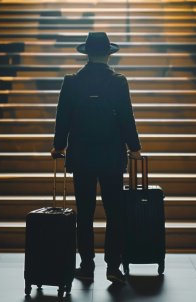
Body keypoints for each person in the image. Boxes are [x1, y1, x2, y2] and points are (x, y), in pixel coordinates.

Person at [51, 32, 142, 285]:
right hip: (112, 157)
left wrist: (59, 146)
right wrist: (134, 148)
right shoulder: (118, 82)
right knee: (115, 212)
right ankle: (113, 267)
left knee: (85, 213)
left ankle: (87, 266)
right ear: (108, 54)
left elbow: (63, 118)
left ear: (87, 54)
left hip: (81, 157)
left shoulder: (72, 82)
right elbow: (126, 118)